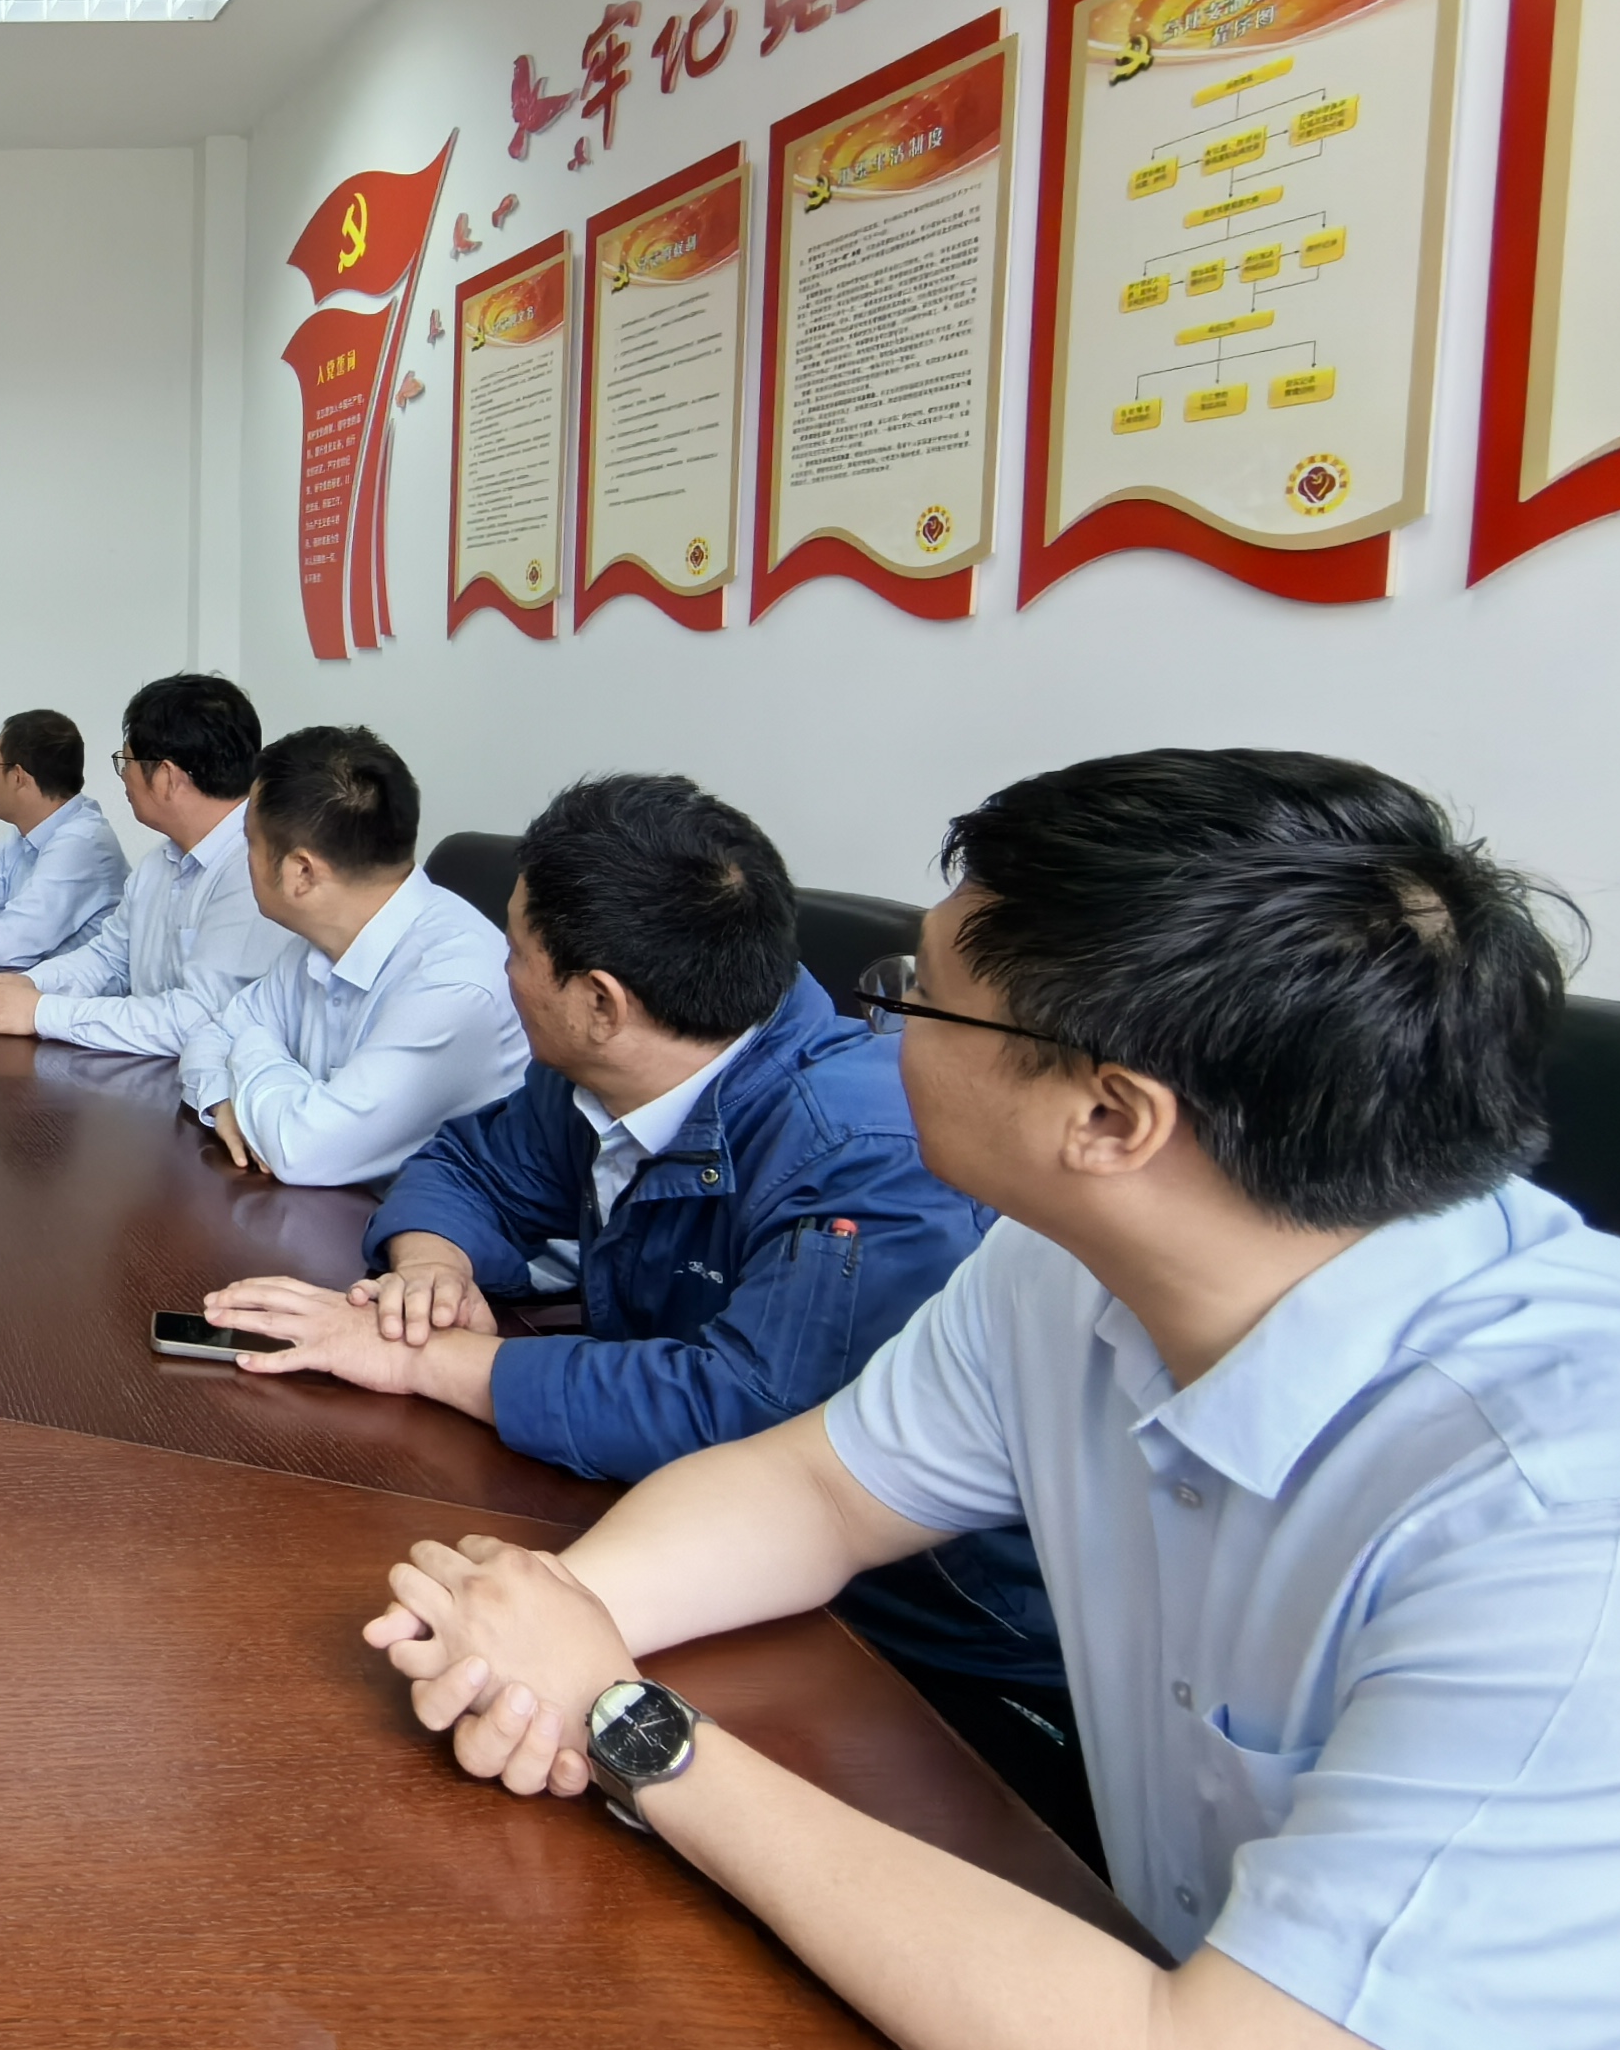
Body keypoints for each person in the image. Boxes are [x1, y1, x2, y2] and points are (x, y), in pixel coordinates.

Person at [358, 751, 1620, 2050]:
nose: (878, 1028)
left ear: (1110, 1115)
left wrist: (635, 1727)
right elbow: (818, 1489)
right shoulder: (1076, 1269)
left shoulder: (1614, 1545)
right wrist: (545, 1620)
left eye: (916, 995)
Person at [199, 774, 1072, 1852]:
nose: (499, 968)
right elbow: (468, 1164)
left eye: (515, 949)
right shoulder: (610, 1070)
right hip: (688, 1546)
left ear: (601, 1003)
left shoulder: (864, 1148)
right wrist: (431, 1265)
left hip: (920, 1660)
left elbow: (744, 1413)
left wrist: (430, 1362)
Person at [175, 724, 523, 1189]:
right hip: (330, 1208)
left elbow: (301, 1151)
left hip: (419, 1227)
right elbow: (210, 1034)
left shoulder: (453, 986)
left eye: (250, 842)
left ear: (301, 872)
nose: (245, 859)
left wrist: (253, 1045)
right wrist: (223, 1100)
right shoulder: (317, 942)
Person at [0, 671, 291, 1057]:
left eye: (126, 762)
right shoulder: (159, 864)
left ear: (165, 776)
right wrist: (29, 984)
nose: (124, 778)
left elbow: (198, 1019)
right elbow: (109, 958)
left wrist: (41, 1012)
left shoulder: (252, 870)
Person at [0, 708, 127, 969]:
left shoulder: (83, 841)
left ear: (17, 777)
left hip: (73, 993)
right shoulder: (23, 836)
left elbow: (7, 946)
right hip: (24, 985)